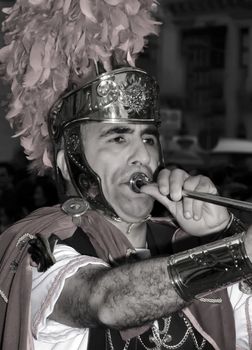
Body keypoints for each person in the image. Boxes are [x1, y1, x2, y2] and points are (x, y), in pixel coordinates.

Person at [0, 1, 252, 350]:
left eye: (148, 137)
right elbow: (105, 302)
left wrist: (223, 232)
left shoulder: (189, 242)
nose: (142, 155)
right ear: (66, 161)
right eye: (118, 137)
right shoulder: (39, 248)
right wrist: (238, 252)